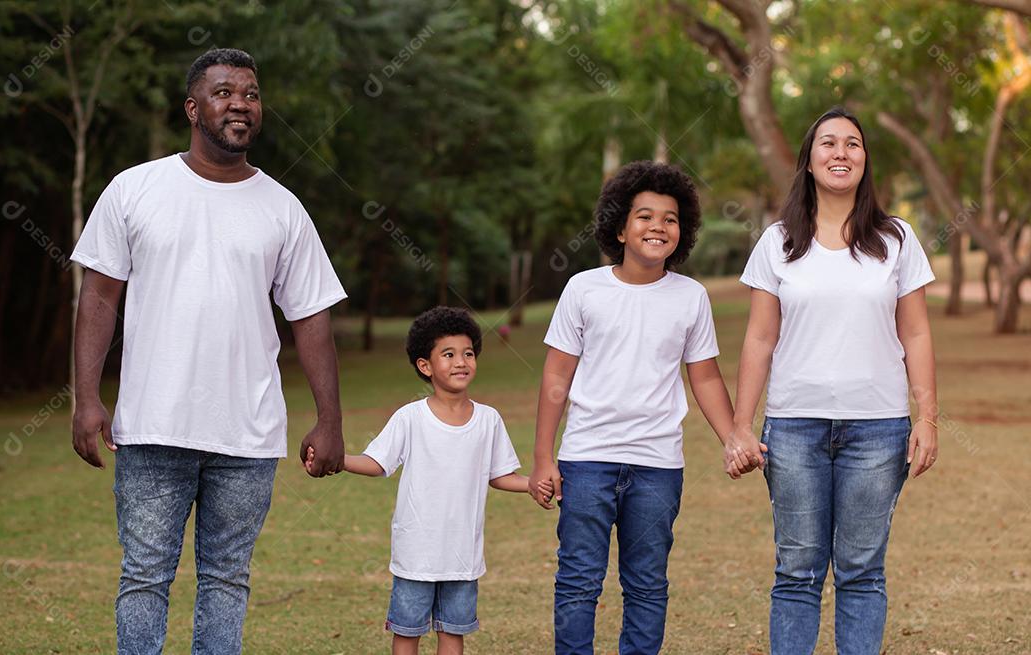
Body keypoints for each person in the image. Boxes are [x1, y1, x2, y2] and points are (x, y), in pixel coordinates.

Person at [70, 48, 348, 654]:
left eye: (250, 94)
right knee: (144, 577)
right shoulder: (134, 189)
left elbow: (311, 317)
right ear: (193, 109)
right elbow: (98, 298)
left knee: (226, 579)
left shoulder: (283, 208)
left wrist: (330, 419)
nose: (240, 104)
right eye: (224, 93)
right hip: (153, 426)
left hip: (247, 435)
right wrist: (86, 398)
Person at [729, 106, 939, 655]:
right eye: (828, 143)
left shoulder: (897, 239)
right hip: (793, 429)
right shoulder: (777, 242)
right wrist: (741, 427)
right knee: (796, 571)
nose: (840, 152)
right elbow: (759, 339)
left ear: (865, 160)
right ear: (809, 160)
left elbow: (916, 334)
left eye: (852, 143)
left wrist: (928, 419)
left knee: (862, 570)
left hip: (879, 429)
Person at [528, 160, 742, 654]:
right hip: (587, 460)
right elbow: (556, 376)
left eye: (670, 218)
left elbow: (705, 376)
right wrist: (543, 457)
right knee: (578, 579)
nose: (658, 226)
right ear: (620, 228)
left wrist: (733, 436)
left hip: (657, 466)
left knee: (647, 583)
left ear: (682, 232)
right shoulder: (584, 289)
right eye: (644, 216)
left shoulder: (691, 297)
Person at [309, 306, 539, 655]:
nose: (461, 362)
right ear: (425, 366)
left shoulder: (489, 420)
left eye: (468, 353)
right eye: (448, 354)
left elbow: (501, 475)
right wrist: (337, 460)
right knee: (407, 634)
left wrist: (534, 484)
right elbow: (377, 463)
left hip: (463, 559)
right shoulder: (411, 417)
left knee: (453, 634)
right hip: (416, 556)